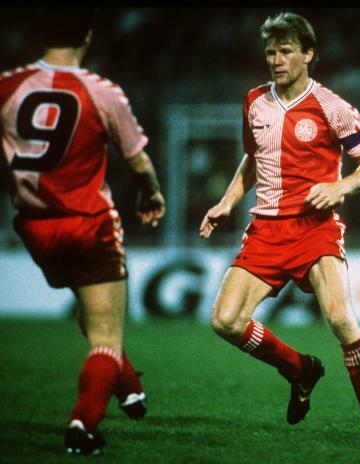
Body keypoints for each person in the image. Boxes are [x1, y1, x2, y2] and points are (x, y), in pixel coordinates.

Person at [200, 11, 360, 435]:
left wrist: (340, 187)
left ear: (308, 54)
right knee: (225, 321)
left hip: (315, 228)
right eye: (270, 52)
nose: (276, 60)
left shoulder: (332, 107)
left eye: (286, 51)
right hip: (267, 230)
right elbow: (253, 158)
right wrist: (227, 201)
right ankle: (299, 369)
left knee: (340, 319)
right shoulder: (255, 101)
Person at [0, 8, 165, 455]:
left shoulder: (7, 86)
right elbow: (138, 160)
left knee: (88, 310)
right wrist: (151, 193)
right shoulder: (101, 91)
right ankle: (84, 424)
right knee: (107, 335)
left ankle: (129, 387)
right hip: (88, 223)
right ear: (87, 36)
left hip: (35, 227)